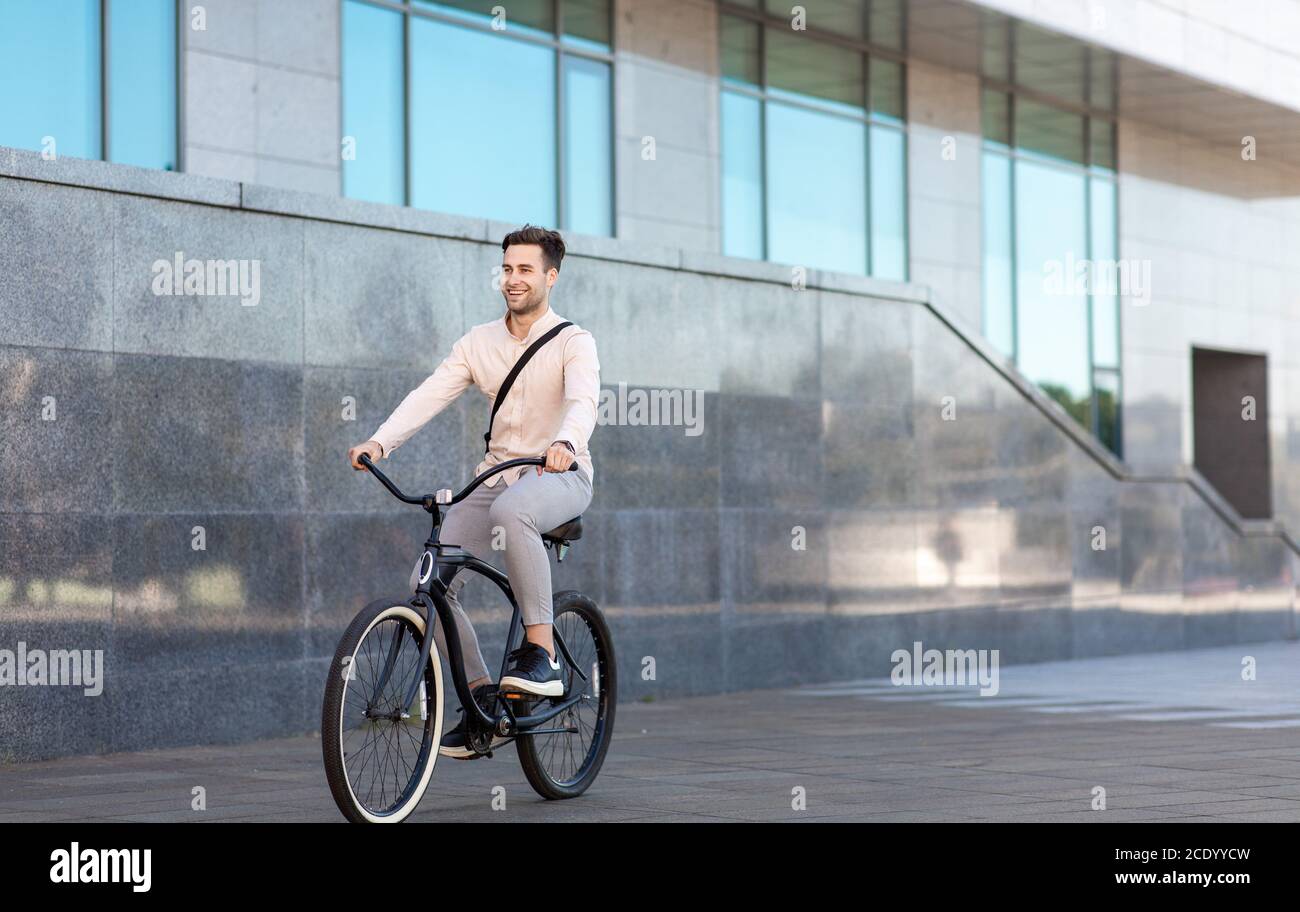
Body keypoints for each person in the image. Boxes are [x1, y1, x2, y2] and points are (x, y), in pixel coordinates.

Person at [346, 224, 599, 758]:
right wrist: (379, 442)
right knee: (428, 579)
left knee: (515, 510)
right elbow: (429, 395)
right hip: (498, 474)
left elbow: (582, 403)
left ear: (551, 277)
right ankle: (483, 700)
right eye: (507, 269)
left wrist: (565, 442)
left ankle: (542, 650)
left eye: (526, 270)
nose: (513, 279)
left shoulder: (574, 342)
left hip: (561, 473)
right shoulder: (478, 342)